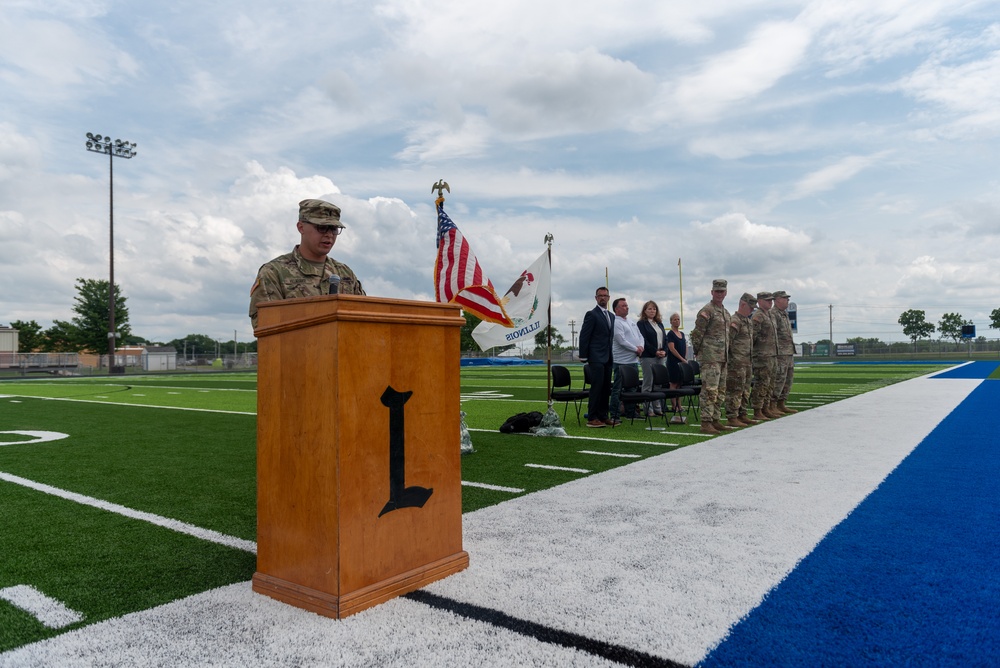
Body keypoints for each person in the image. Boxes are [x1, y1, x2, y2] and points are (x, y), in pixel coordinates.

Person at [249, 199, 365, 328]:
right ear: (301, 227)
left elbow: (363, 318)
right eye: (321, 228)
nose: (329, 235)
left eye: (334, 229)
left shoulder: (345, 273)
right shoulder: (274, 272)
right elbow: (265, 326)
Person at [689, 279, 731, 435]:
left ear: (726, 292)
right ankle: (706, 422)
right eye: (717, 291)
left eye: (722, 291)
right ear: (712, 292)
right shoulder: (706, 311)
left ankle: (715, 420)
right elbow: (697, 334)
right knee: (709, 390)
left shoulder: (725, 312)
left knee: (720, 391)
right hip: (710, 357)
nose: (720, 294)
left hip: (722, 358)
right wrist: (700, 352)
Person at [578, 286, 614, 428]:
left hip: (608, 357)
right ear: (596, 298)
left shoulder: (611, 316)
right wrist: (583, 355)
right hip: (596, 357)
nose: (603, 298)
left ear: (609, 297)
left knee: (606, 388)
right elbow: (584, 335)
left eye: (605, 295)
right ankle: (592, 417)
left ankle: (603, 416)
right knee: (597, 387)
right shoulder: (591, 314)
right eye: (600, 296)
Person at [609, 297, 644, 424]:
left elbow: (640, 336)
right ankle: (614, 414)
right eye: (623, 306)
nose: (627, 307)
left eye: (627, 305)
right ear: (616, 309)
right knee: (618, 389)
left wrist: (641, 347)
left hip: (633, 360)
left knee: (632, 389)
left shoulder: (630, 321)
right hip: (621, 361)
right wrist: (636, 348)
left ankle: (630, 412)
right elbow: (621, 340)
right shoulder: (616, 322)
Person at [724, 293, 757, 428]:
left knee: (745, 390)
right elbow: (728, 342)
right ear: (743, 304)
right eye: (750, 307)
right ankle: (732, 416)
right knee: (735, 390)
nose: (751, 310)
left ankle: (742, 414)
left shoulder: (748, 321)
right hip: (736, 363)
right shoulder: (735, 321)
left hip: (747, 361)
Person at [750, 291, 781, 421]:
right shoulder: (758, 316)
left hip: (772, 355)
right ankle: (757, 410)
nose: (771, 302)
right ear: (760, 301)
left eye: (771, 300)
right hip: (762, 356)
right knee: (761, 383)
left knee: (770, 383)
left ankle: (766, 408)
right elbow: (753, 336)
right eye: (768, 300)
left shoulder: (770, 315)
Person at [637, 301, 668, 416]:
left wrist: (664, 351)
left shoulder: (659, 324)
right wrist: (655, 351)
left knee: (658, 384)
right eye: (649, 309)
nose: (652, 311)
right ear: (645, 311)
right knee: (648, 383)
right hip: (648, 356)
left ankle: (657, 408)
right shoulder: (641, 324)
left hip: (660, 356)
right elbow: (643, 340)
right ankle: (648, 409)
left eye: (654, 309)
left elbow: (665, 340)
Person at [771, 289, 798, 415]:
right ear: (777, 300)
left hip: (788, 352)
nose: (787, 300)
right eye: (785, 298)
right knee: (779, 379)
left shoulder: (784, 314)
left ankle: (781, 403)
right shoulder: (774, 314)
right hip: (780, 353)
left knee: (787, 380)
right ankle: (772, 405)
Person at [665, 312, 687, 422]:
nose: (677, 321)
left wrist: (685, 358)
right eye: (674, 319)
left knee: (679, 384)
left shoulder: (682, 334)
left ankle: (680, 404)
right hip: (673, 363)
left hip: (681, 363)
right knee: (673, 383)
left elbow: (685, 346)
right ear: (671, 321)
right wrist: (681, 359)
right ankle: (674, 405)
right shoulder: (670, 335)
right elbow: (672, 349)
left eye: (678, 319)